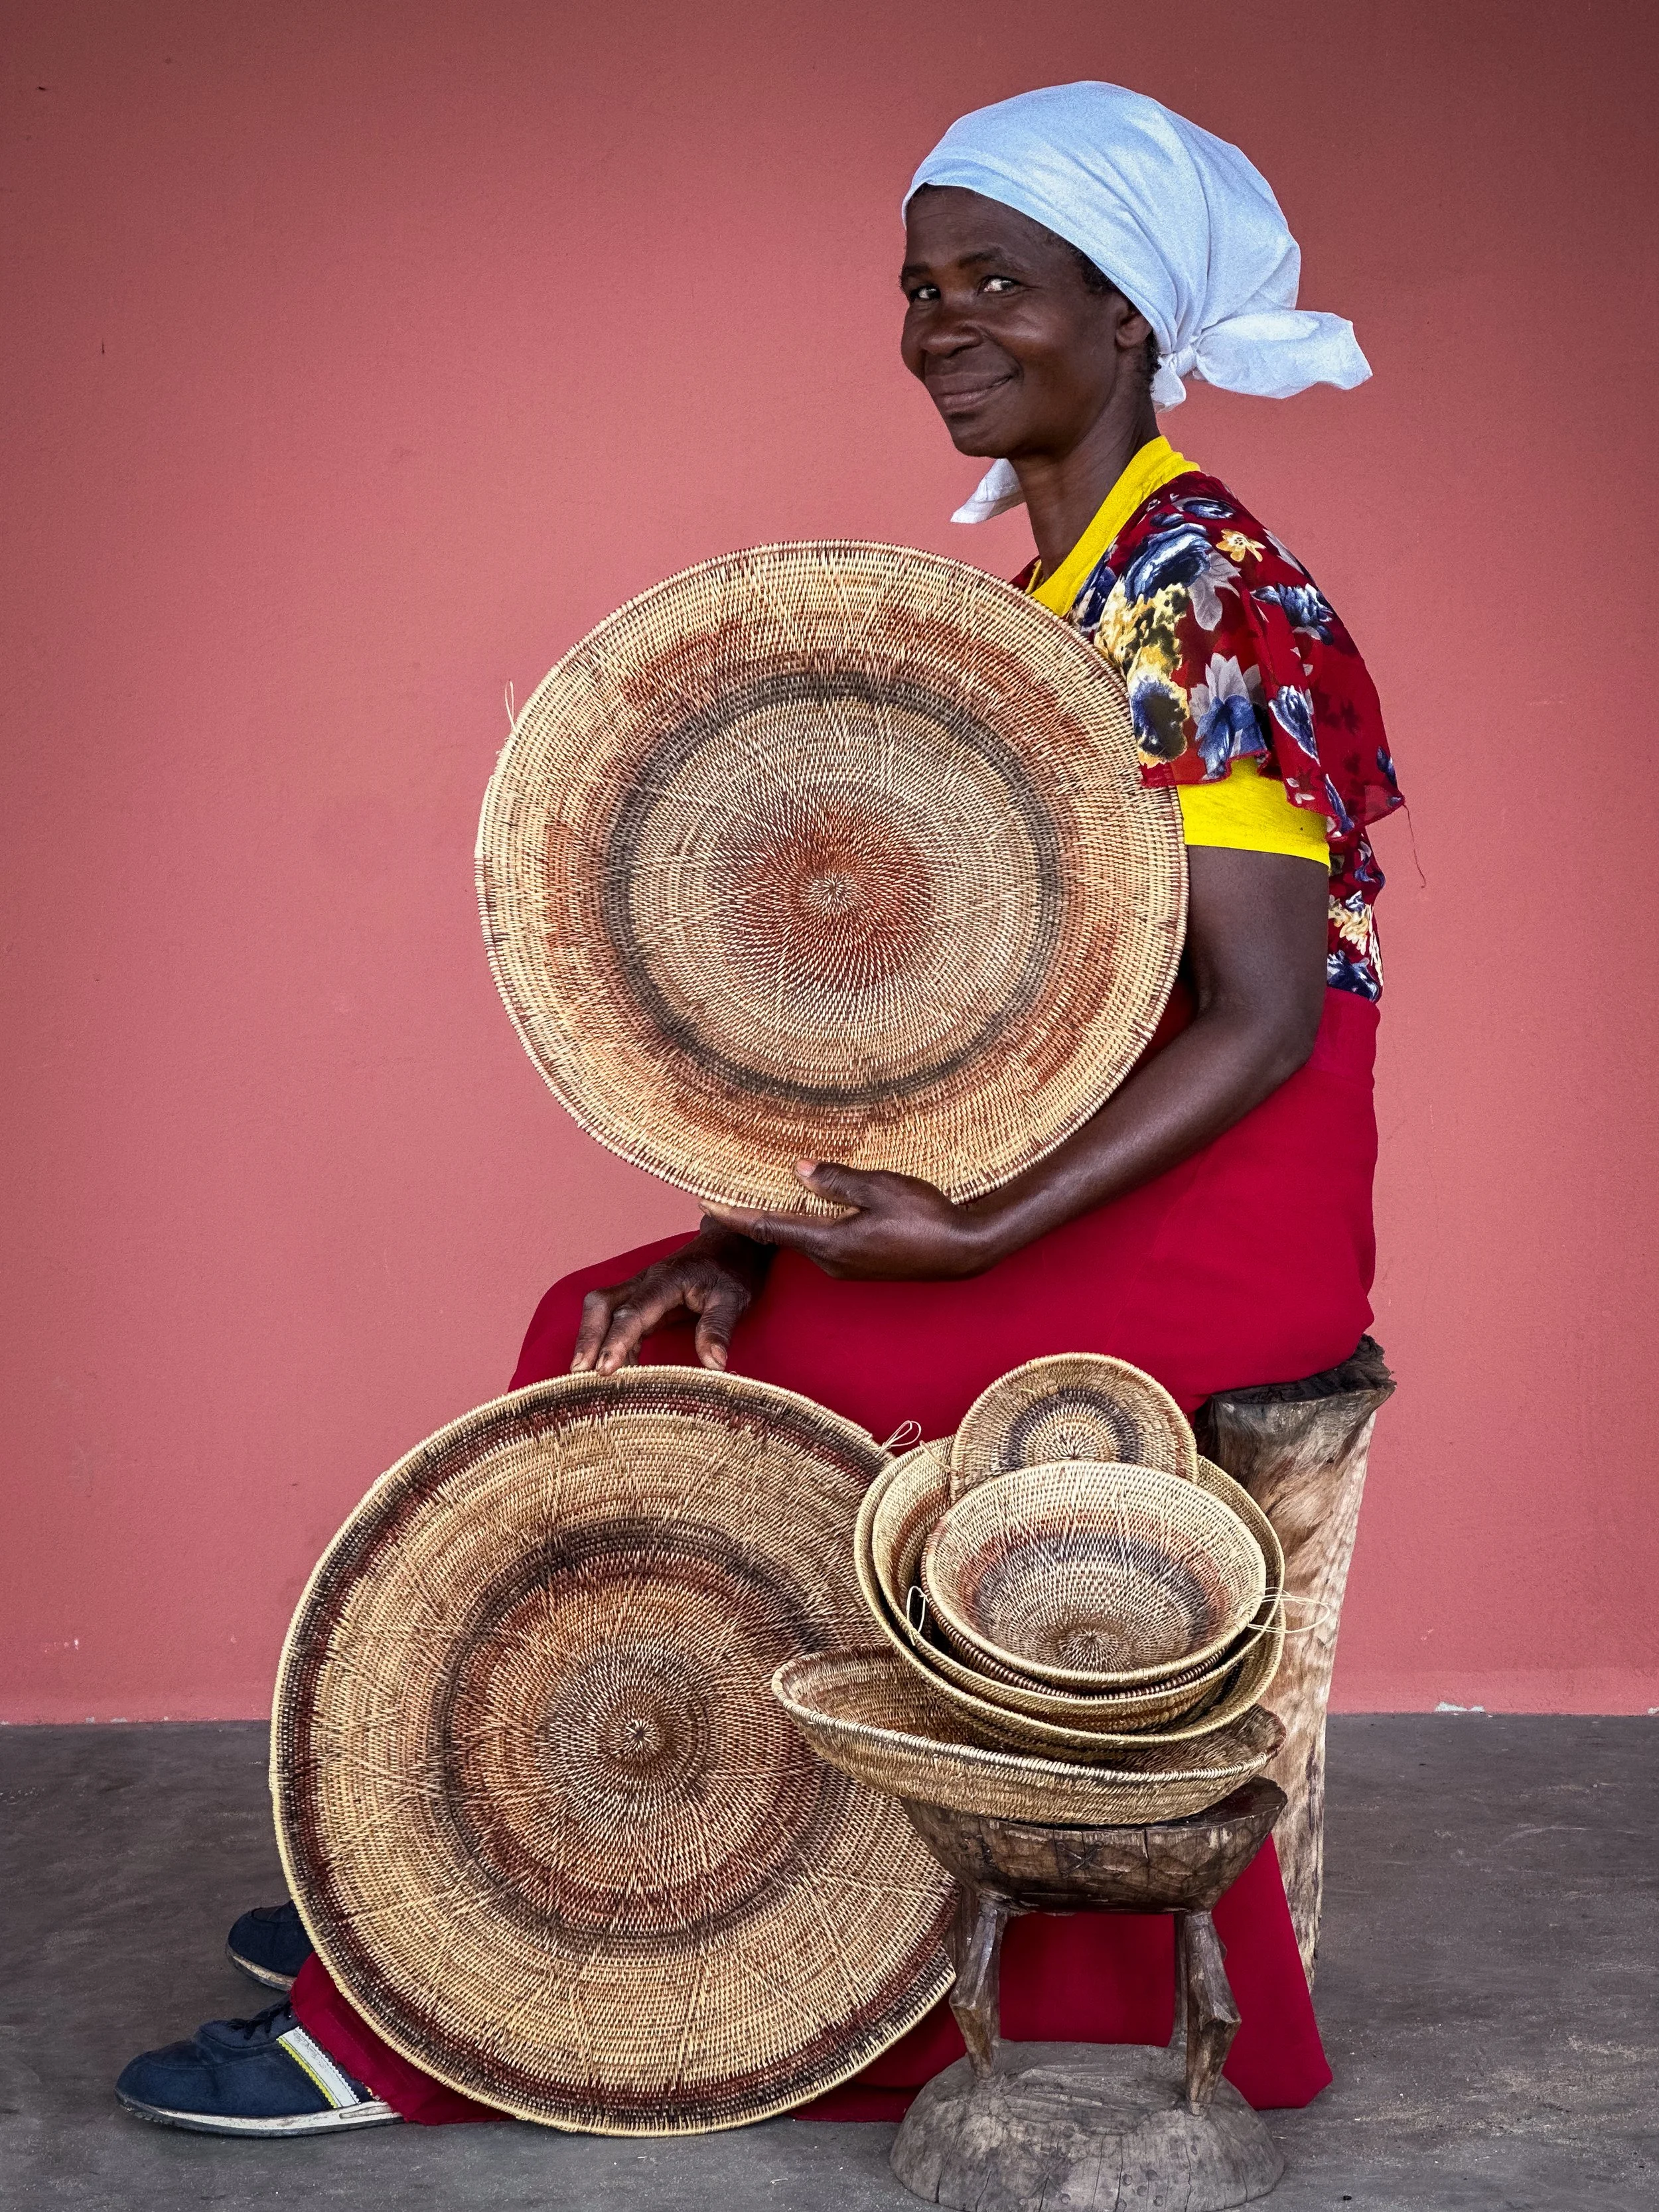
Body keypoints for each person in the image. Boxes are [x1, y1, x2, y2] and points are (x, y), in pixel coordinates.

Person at [117, 81, 1401, 2135]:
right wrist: (754, 1214)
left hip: (1210, 1200)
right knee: (621, 1316)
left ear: (1131, 319)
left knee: (720, 1419)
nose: (940, 322)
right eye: (918, 282)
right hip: (1066, 1164)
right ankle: (507, 1898)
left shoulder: (1200, 591)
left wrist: (970, 1232)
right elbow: (994, 1026)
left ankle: (474, 2021)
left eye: (999, 279)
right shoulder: (1061, 584)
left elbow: (1250, 1019)